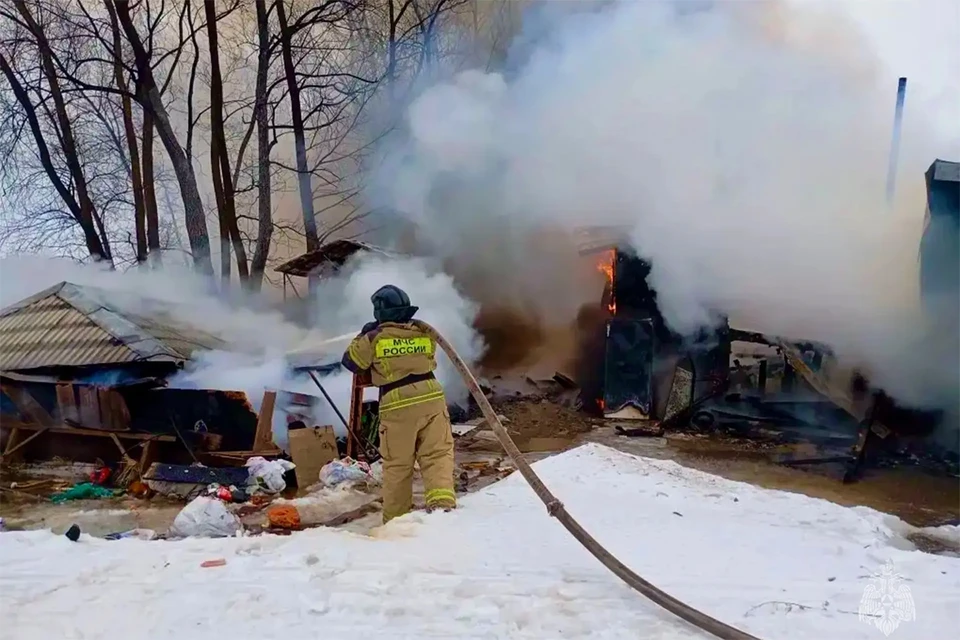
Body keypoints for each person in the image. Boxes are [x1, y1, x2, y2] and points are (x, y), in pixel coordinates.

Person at [341, 284, 456, 523]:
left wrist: (363, 335)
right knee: (437, 456)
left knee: (398, 466)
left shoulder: (374, 338)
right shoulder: (424, 332)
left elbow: (351, 362)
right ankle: (443, 512)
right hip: (432, 397)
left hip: (397, 403)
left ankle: (397, 523)